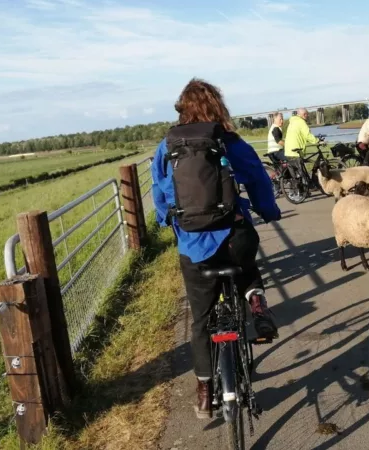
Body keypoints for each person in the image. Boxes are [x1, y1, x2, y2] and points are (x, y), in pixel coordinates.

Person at [150, 78, 281, 419]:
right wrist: (268, 211)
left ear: (183, 109)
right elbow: (257, 179)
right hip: (234, 237)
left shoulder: (168, 147)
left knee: (201, 321)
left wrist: (168, 220)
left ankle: (206, 391)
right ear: (218, 107)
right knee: (247, 263)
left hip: (194, 246)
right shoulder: (230, 141)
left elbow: (161, 190)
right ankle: (256, 302)